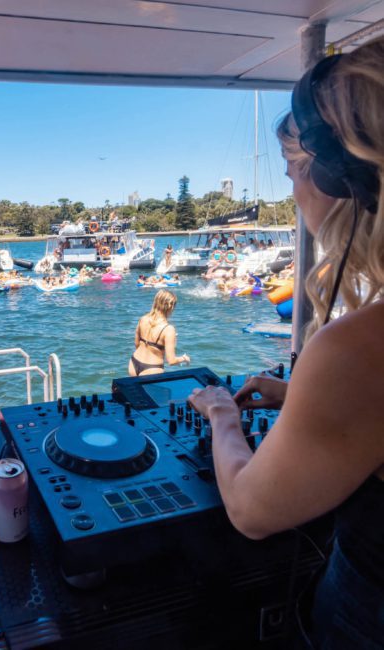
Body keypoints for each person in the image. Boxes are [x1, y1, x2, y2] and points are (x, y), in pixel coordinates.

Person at [187, 39, 384, 648]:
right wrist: (303, 395)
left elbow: (250, 509)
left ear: (343, 178)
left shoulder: (357, 345)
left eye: (296, 171)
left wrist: (223, 414)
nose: (296, 194)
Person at [128, 290, 189, 376]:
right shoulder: (168, 329)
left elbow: (137, 344)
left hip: (134, 363)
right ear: (170, 307)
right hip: (152, 368)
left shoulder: (143, 319)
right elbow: (171, 361)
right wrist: (184, 358)